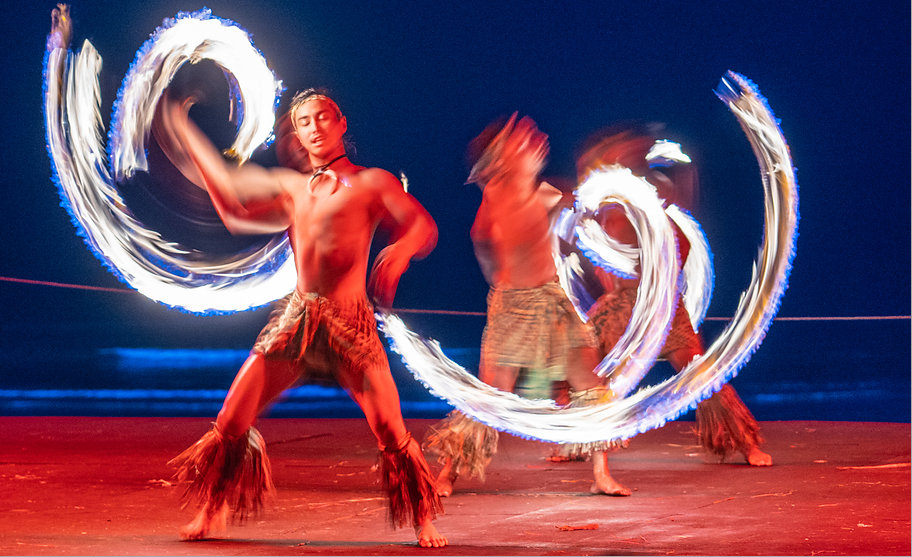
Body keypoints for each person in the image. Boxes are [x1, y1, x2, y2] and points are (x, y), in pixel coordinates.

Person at [153, 86, 448, 547]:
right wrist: (190, 139)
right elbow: (235, 214)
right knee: (231, 419)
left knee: (391, 431)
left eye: (323, 117)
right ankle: (214, 509)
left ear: (341, 123)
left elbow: (423, 226)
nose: (314, 128)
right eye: (304, 122)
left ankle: (423, 519)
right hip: (298, 318)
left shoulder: (373, 182)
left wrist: (401, 252)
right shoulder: (293, 189)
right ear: (297, 133)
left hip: (350, 322)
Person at [425, 114, 632, 498]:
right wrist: (505, 289)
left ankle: (601, 474)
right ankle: (448, 474)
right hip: (513, 308)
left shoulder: (547, 193)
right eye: (523, 142)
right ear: (501, 160)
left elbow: (582, 213)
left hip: (554, 302)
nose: (537, 144)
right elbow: (485, 249)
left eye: (534, 139)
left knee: (590, 384)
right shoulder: (494, 202)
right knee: (491, 395)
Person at [571, 123, 772, 467]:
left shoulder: (653, 196)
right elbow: (598, 250)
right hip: (620, 307)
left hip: (660, 308)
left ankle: (744, 441)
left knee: (701, 376)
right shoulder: (603, 201)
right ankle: (575, 443)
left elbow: (681, 245)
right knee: (584, 372)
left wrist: (659, 280)